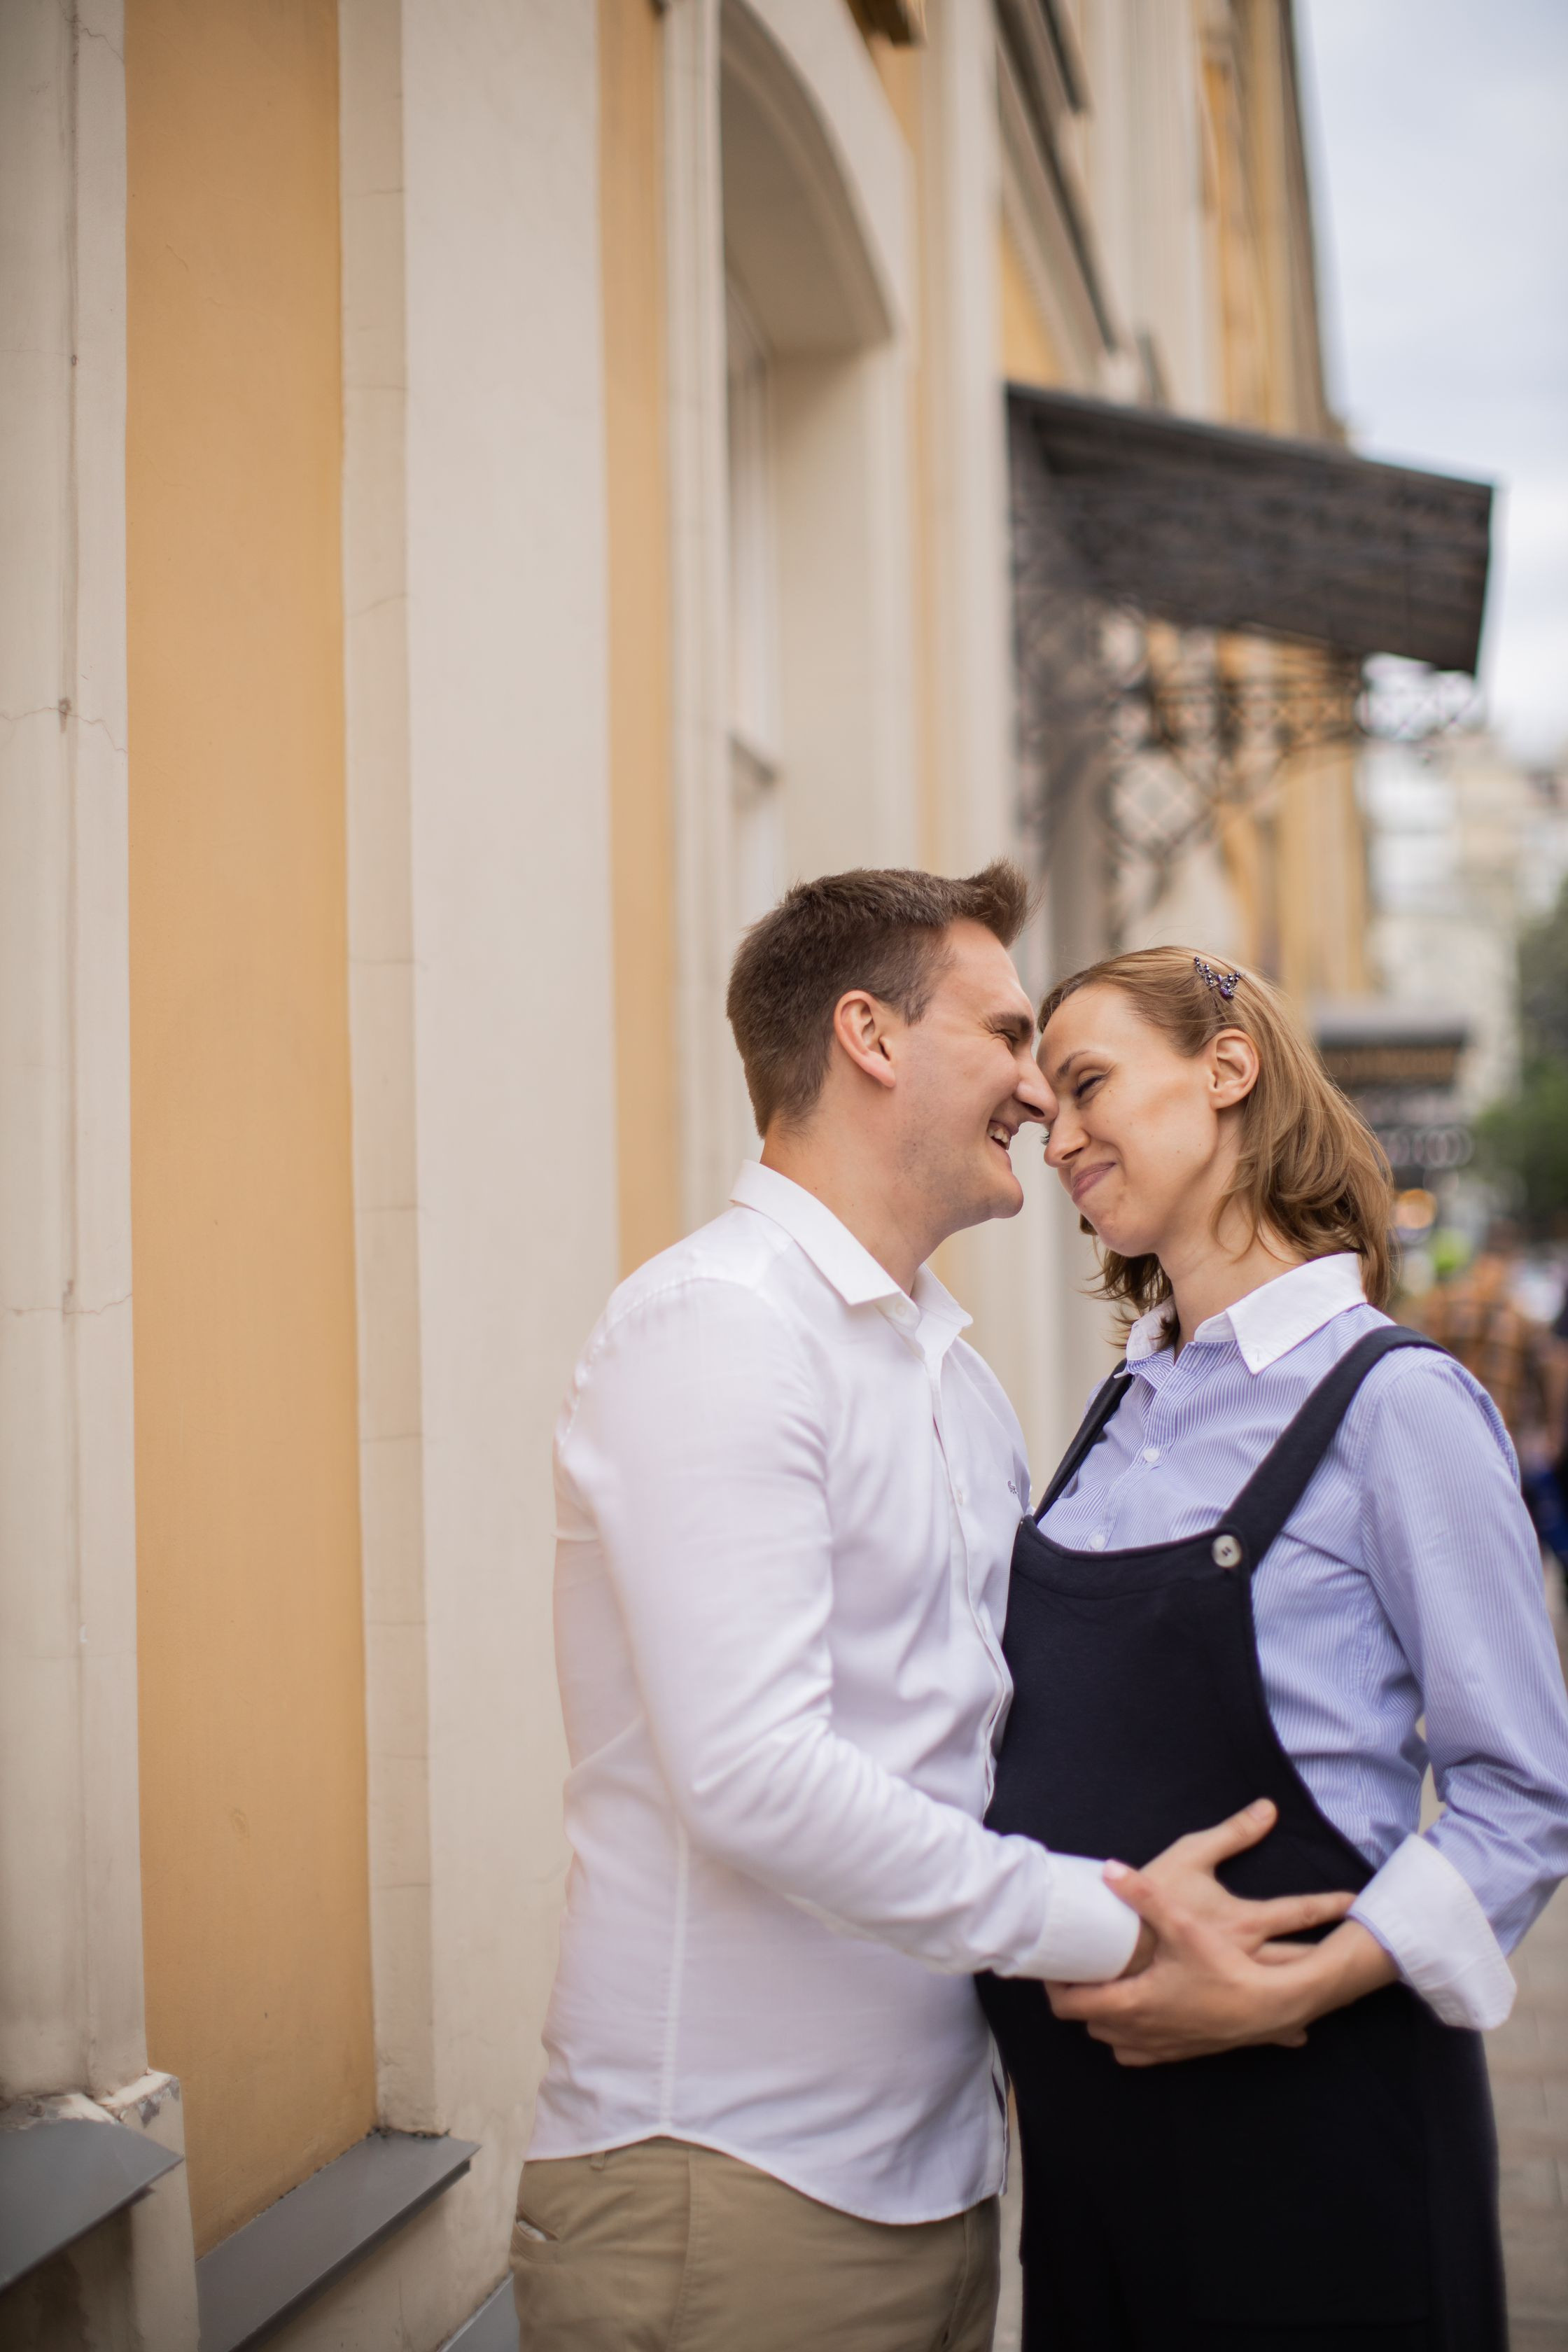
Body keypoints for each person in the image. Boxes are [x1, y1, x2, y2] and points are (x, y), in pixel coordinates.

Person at [512, 872, 1349, 2352]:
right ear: (869, 1036)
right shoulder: (716, 1327)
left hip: (938, 2177)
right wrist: (1117, 1927)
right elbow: (755, 1775)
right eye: (1009, 1034)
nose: (1039, 1091)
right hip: (729, 2183)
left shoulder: (952, 1381)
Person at [981, 946, 1568, 2352]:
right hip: (1090, 2176)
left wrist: (1291, 1985)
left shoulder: (1395, 1406)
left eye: (1087, 1084)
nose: (1055, 1135)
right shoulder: (1121, 1409)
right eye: (1041, 1104)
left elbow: (1522, 1799)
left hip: (1313, 2137)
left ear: (1227, 1072)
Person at [1420, 1219, 1568, 1560]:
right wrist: (1553, 1429)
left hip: (1449, 1439)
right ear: (1510, 1260)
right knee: (1499, 1542)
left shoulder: (1442, 1303)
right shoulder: (1521, 1314)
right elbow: (1552, 1367)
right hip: (1503, 1444)